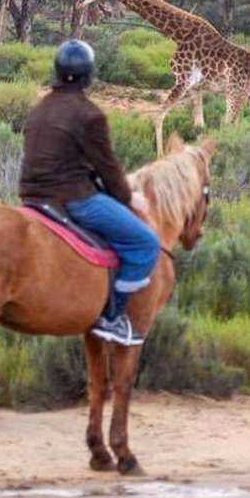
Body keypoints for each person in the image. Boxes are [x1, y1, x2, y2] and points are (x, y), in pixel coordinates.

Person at [19, 40, 160, 345]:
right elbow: (108, 168)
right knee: (145, 243)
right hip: (73, 200)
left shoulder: (39, 109)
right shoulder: (90, 115)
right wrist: (128, 197)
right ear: (89, 75)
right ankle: (112, 318)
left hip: (31, 198)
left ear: (57, 70)